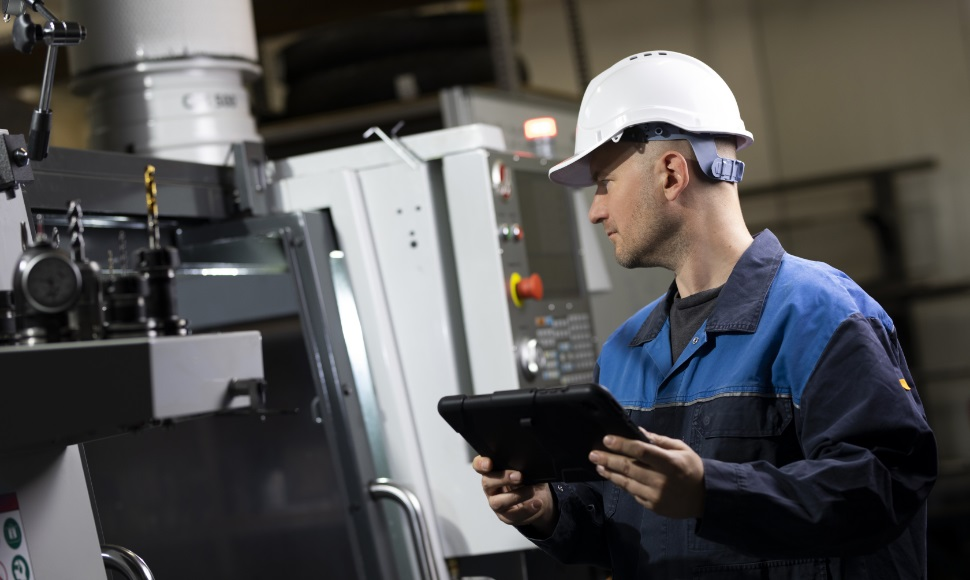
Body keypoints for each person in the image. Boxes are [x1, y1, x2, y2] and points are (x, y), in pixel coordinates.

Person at [472, 50, 937, 579]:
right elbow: (621, 526)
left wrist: (709, 491)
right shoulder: (625, 352)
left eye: (605, 183)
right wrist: (549, 510)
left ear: (671, 174)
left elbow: (884, 486)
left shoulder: (819, 315)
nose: (596, 210)